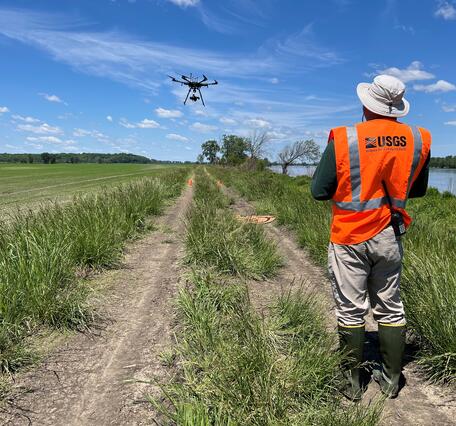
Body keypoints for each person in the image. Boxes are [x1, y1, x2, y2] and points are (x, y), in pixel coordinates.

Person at [311, 74, 431, 400]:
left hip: (349, 236)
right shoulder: (419, 139)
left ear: (367, 104)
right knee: (390, 308)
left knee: (351, 310)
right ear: (397, 109)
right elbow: (416, 190)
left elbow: (319, 191)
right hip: (389, 235)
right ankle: (391, 381)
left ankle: (352, 384)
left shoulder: (345, 137)